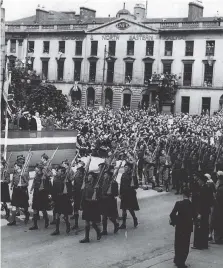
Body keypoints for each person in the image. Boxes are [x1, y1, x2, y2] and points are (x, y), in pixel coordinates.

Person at [170, 187, 194, 268]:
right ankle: (182, 262)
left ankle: (177, 259)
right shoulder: (191, 204)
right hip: (187, 227)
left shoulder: (178, 203)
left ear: (183, 194)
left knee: (178, 243)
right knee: (185, 244)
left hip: (180, 226)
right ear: (189, 195)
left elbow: (172, 214)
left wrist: (175, 221)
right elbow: (194, 215)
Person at [192, 173, 214, 250]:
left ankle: (198, 245)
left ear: (201, 181)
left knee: (199, 228)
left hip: (202, 211)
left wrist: (199, 213)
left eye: (199, 180)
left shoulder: (202, 189)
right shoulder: (208, 188)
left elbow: (201, 202)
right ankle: (204, 244)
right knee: (205, 227)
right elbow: (211, 201)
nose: (198, 182)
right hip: (206, 211)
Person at [79, 172, 101, 243]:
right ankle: (86, 238)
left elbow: (99, 196)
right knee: (87, 222)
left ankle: (98, 231)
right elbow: (83, 195)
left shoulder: (97, 186)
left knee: (93, 223)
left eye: (90, 176)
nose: (88, 177)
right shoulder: (86, 185)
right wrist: (81, 204)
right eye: (88, 176)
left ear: (93, 178)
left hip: (94, 205)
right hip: (87, 204)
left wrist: (97, 190)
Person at [51, 166, 73, 235]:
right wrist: (53, 199)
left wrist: (70, 197)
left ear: (63, 172)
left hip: (65, 199)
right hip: (58, 199)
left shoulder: (67, 180)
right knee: (57, 214)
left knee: (65, 215)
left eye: (59, 171)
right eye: (57, 171)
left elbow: (70, 189)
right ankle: (57, 230)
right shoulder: (55, 179)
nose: (57, 172)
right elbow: (53, 190)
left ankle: (68, 225)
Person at [29, 164, 50, 230]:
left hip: (42, 194)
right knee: (35, 208)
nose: (35, 168)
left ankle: (46, 220)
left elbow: (47, 186)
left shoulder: (44, 176)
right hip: (36, 193)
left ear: (39, 169)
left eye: (36, 168)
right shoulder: (36, 175)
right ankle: (35, 225)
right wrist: (31, 189)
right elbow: (34, 182)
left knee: (43, 209)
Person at [119, 162, 139, 229]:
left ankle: (134, 218)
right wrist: (120, 193)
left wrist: (133, 186)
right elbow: (121, 185)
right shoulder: (123, 175)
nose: (125, 168)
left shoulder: (133, 175)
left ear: (130, 168)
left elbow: (137, 185)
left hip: (130, 194)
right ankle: (123, 224)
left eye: (126, 167)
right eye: (124, 167)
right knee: (123, 209)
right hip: (124, 194)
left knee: (130, 209)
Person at [99, 170, 119, 235]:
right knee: (104, 216)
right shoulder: (103, 182)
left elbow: (116, 193)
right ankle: (104, 230)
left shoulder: (114, 182)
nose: (104, 176)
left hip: (110, 200)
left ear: (109, 175)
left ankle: (116, 224)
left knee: (110, 216)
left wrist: (111, 193)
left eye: (105, 174)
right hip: (103, 200)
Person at [71, 161, 85, 230]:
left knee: (83, 208)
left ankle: (91, 222)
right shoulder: (78, 171)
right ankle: (76, 224)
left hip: (80, 192)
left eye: (78, 163)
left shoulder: (81, 172)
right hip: (76, 192)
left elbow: (80, 183)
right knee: (76, 208)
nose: (77, 164)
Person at [211, 171, 223, 244]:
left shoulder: (220, 189)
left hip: (218, 208)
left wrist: (214, 197)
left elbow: (217, 199)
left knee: (216, 223)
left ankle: (217, 239)